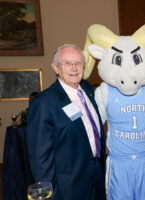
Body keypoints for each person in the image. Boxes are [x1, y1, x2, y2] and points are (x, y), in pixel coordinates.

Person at [26, 44, 106, 200]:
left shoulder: (88, 90)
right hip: (68, 187)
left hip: (97, 174)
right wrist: (51, 194)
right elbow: (40, 159)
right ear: (55, 68)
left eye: (78, 63)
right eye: (67, 63)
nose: (74, 68)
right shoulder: (44, 103)